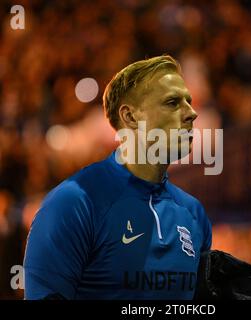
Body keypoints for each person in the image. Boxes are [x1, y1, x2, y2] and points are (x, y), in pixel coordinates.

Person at [23, 55, 212, 300]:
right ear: (130, 117)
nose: (192, 113)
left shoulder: (194, 213)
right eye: (173, 102)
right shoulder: (73, 204)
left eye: (189, 101)